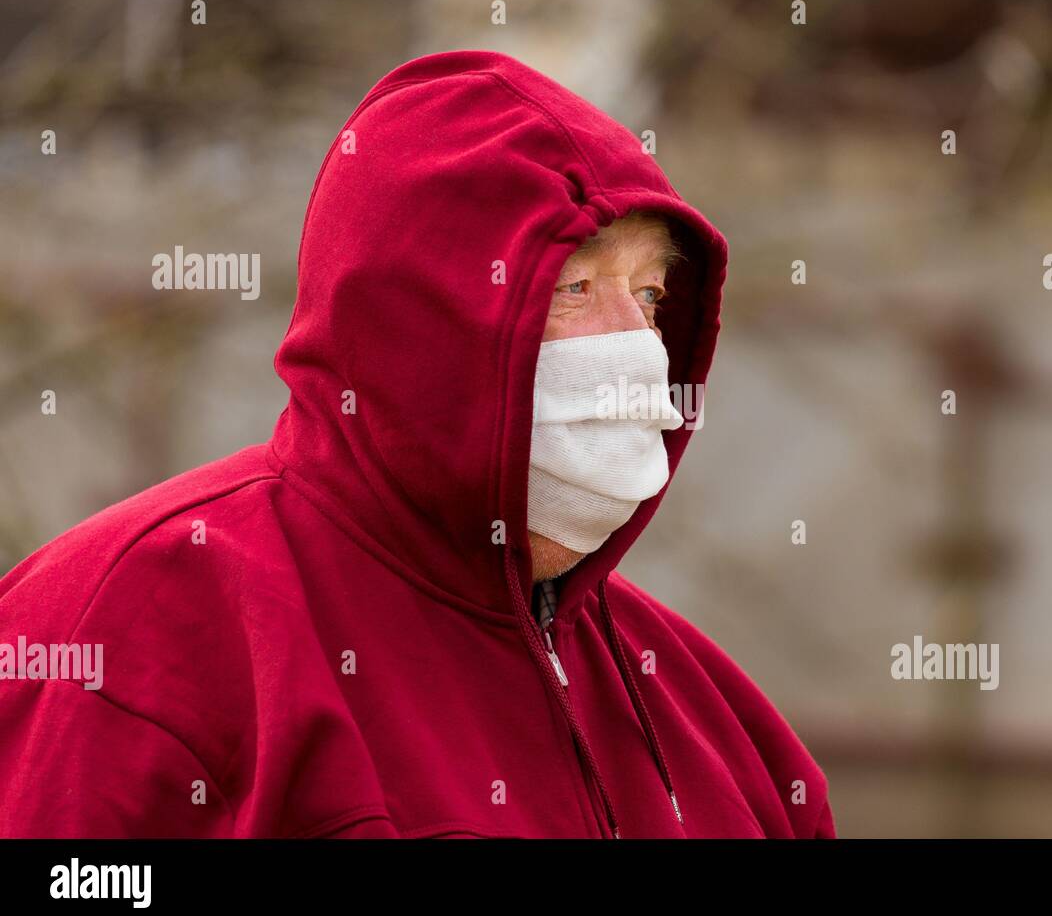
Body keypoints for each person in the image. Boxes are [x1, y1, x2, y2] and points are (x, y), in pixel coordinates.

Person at [0, 50, 835, 838]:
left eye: (651, 294)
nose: (638, 348)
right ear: (418, 320)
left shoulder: (715, 721)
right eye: (573, 286)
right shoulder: (127, 630)